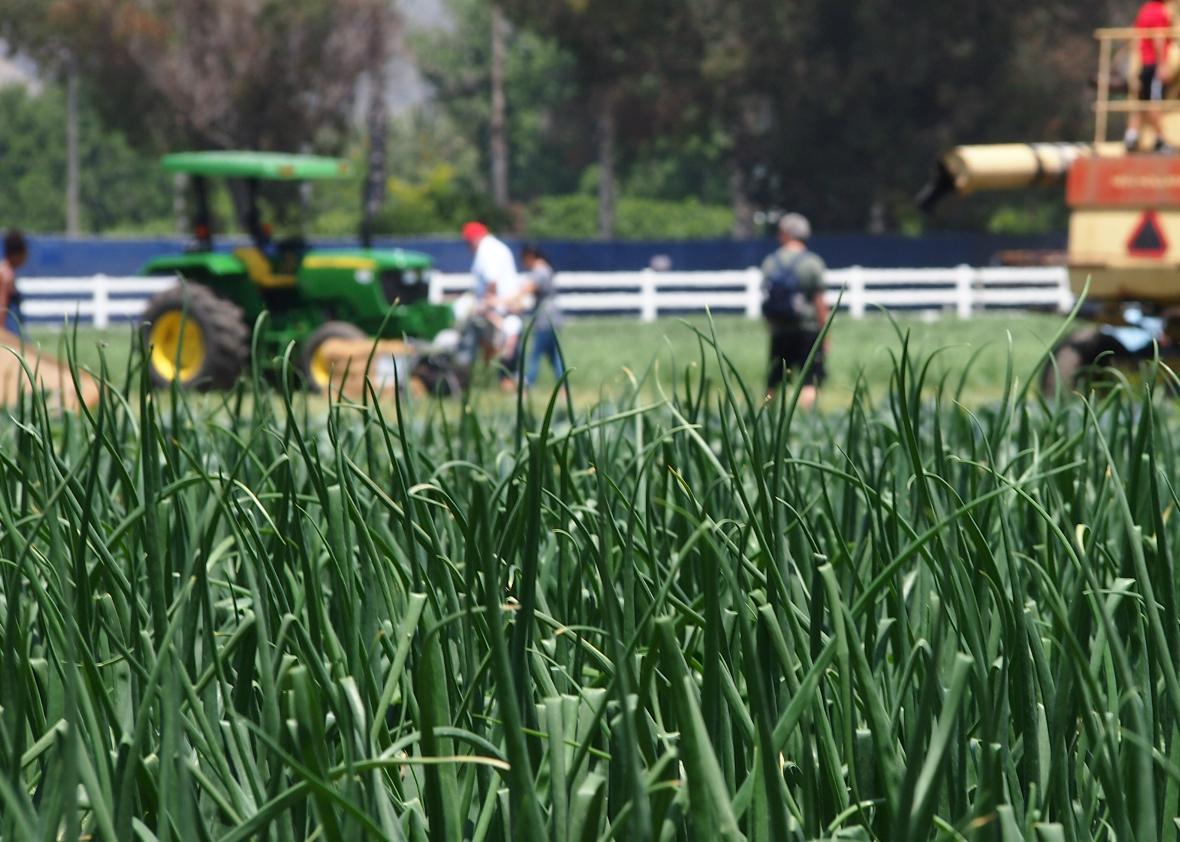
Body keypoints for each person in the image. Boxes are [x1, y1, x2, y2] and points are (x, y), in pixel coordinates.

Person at [761, 213, 829, 409]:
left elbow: (767, 296)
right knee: (810, 380)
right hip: (808, 329)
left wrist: (771, 326)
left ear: (785, 233)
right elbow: (819, 302)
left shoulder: (771, 262)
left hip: (780, 329)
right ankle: (807, 421)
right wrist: (825, 333)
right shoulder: (812, 262)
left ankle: (766, 416)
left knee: (775, 380)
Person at [1127, 0, 1174, 152]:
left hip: (1143, 63)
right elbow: (1159, 39)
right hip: (1154, 64)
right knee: (1154, 102)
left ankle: (1131, 136)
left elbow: (1135, 38)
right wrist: (1162, 65)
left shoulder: (1145, 9)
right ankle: (1160, 140)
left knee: (1141, 102)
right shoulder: (1160, 11)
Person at [517, 245, 565, 391]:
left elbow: (527, 290)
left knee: (535, 354)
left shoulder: (541, 271)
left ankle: (527, 385)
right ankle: (563, 386)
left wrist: (505, 301)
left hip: (545, 319)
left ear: (530, 256)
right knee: (554, 355)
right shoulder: (545, 270)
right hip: (552, 317)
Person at [0, 230, 28, 337]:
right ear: (16, 254)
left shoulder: (6, 271)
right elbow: (2, 305)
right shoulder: (6, 275)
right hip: (7, 329)